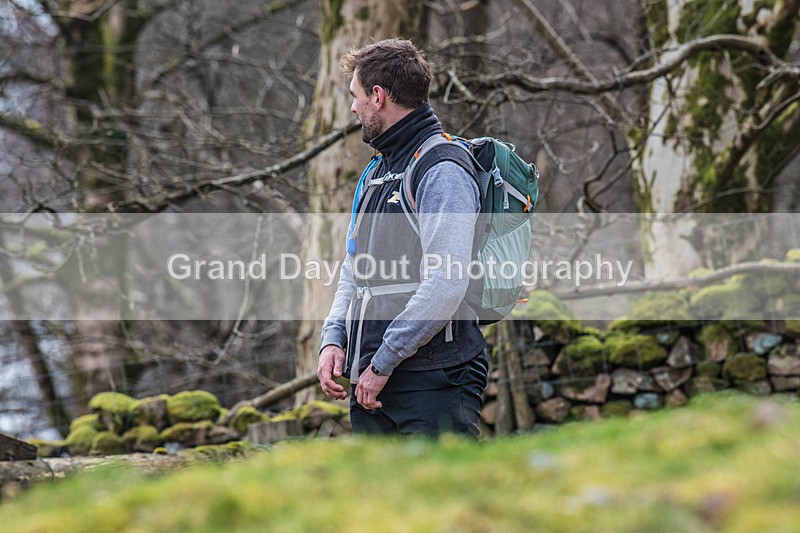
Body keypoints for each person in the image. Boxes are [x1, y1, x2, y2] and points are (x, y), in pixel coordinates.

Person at [316, 38, 488, 437]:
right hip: (374, 382)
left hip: (435, 379)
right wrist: (333, 338)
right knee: (378, 500)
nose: (353, 107)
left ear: (377, 97)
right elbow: (354, 268)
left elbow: (445, 285)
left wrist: (383, 362)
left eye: (356, 96)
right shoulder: (376, 169)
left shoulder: (441, 169)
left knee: (447, 498)